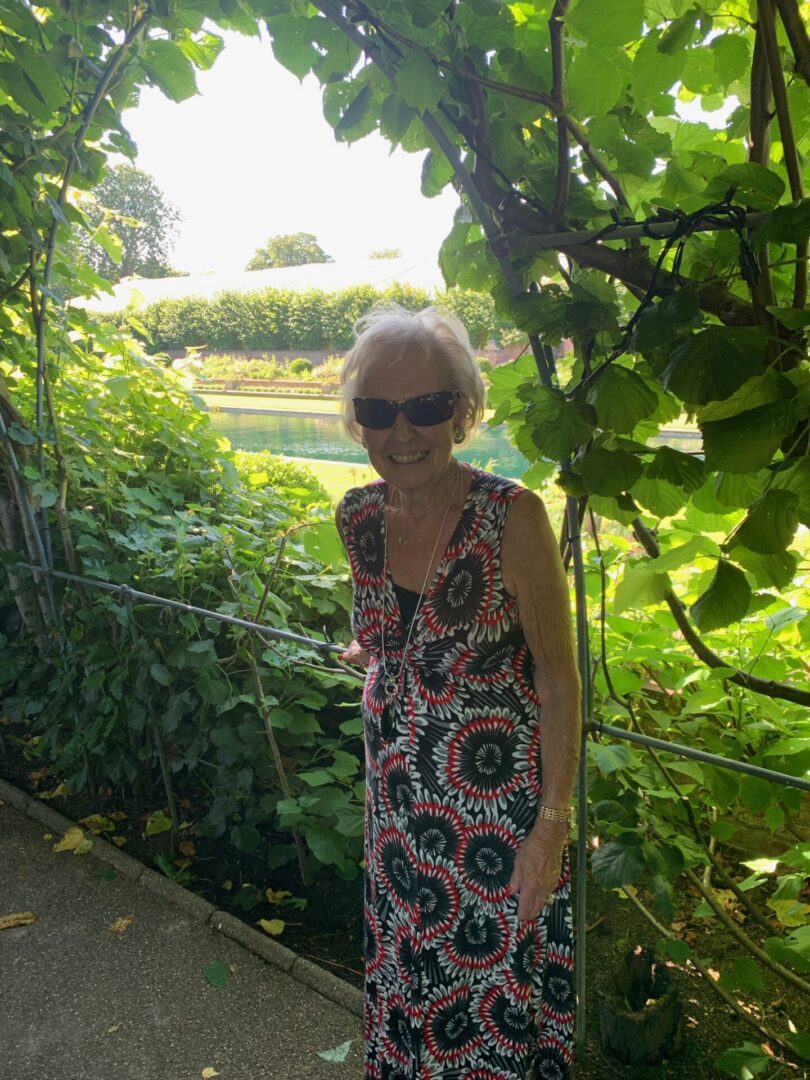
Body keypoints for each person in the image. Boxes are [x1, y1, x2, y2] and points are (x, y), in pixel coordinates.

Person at [335, 306, 581, 1080]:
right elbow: (385, 634)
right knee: (407, 982)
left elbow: (560, 682)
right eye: (379, 410)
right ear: (359, 422)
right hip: (397, 821)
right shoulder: (361, 517)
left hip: (493, 836)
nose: (402, 432)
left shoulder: (513, 519)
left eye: (427, 406)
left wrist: (550, 832)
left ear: (463, 411)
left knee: (487, 1006)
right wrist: (382, 655)